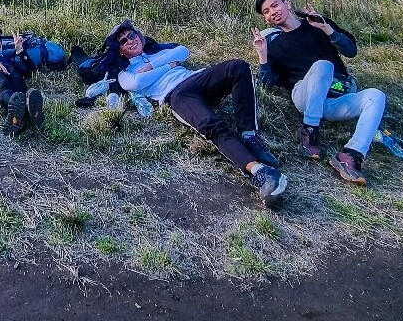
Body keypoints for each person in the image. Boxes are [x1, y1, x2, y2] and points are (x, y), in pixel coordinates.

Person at [107, 20, 287, 206]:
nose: (129, 41)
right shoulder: (125, 73)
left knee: (238, 66)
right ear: (120, 50)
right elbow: (136, 83)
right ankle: (259, 171)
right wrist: (169, 65)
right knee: (210, 124)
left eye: (132, 35)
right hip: (176, 94)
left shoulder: (160, 51)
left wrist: (150, 67)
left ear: (140, 37)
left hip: (198, 77)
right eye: (123, 41)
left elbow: (183, 51)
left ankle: (249, 135)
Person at [252, 0, 386, 186]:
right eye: (267, 12)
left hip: (334, 98)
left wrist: (326, 29)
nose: (273, 12)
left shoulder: (317, 23)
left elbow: (351, 51)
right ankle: (310, 131)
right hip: (305, 97)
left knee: (376, 95)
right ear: (267, 20)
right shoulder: (275, 44)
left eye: (275, 5)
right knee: (323, 66)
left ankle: (351, 155)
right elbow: (265, 84)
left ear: (287, 4)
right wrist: (262, 54)